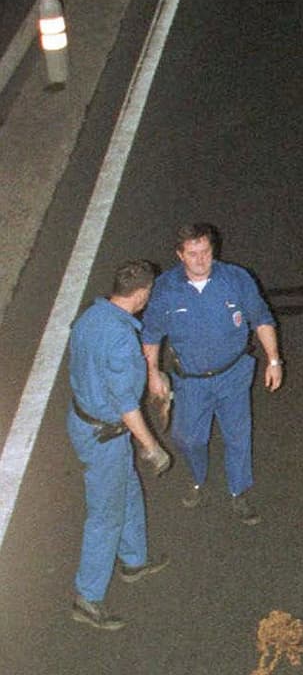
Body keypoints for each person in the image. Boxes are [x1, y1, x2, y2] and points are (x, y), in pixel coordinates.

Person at [141, 222, 281, 524]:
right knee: (188, 438)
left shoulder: (236, 279)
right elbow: (151, 335)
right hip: (190, 381)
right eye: (193, 254)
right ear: (180, 255)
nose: (201, 260)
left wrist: (273, 360)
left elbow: (261, 318)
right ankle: (197, 478)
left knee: (237, 435)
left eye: (206, 252)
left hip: (232, 374)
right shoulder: (166, 289)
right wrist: (152, 373)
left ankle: (238, 490)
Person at [68, 261, 172, 630]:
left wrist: (151, 373)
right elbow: (127, 406)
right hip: (105, 435)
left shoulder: (89, 318)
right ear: (142, 295)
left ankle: (134, 559)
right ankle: (88, 596)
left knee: (126, 488)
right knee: (105, 515)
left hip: (83, 418)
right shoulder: (122, 339)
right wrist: (153, 448)